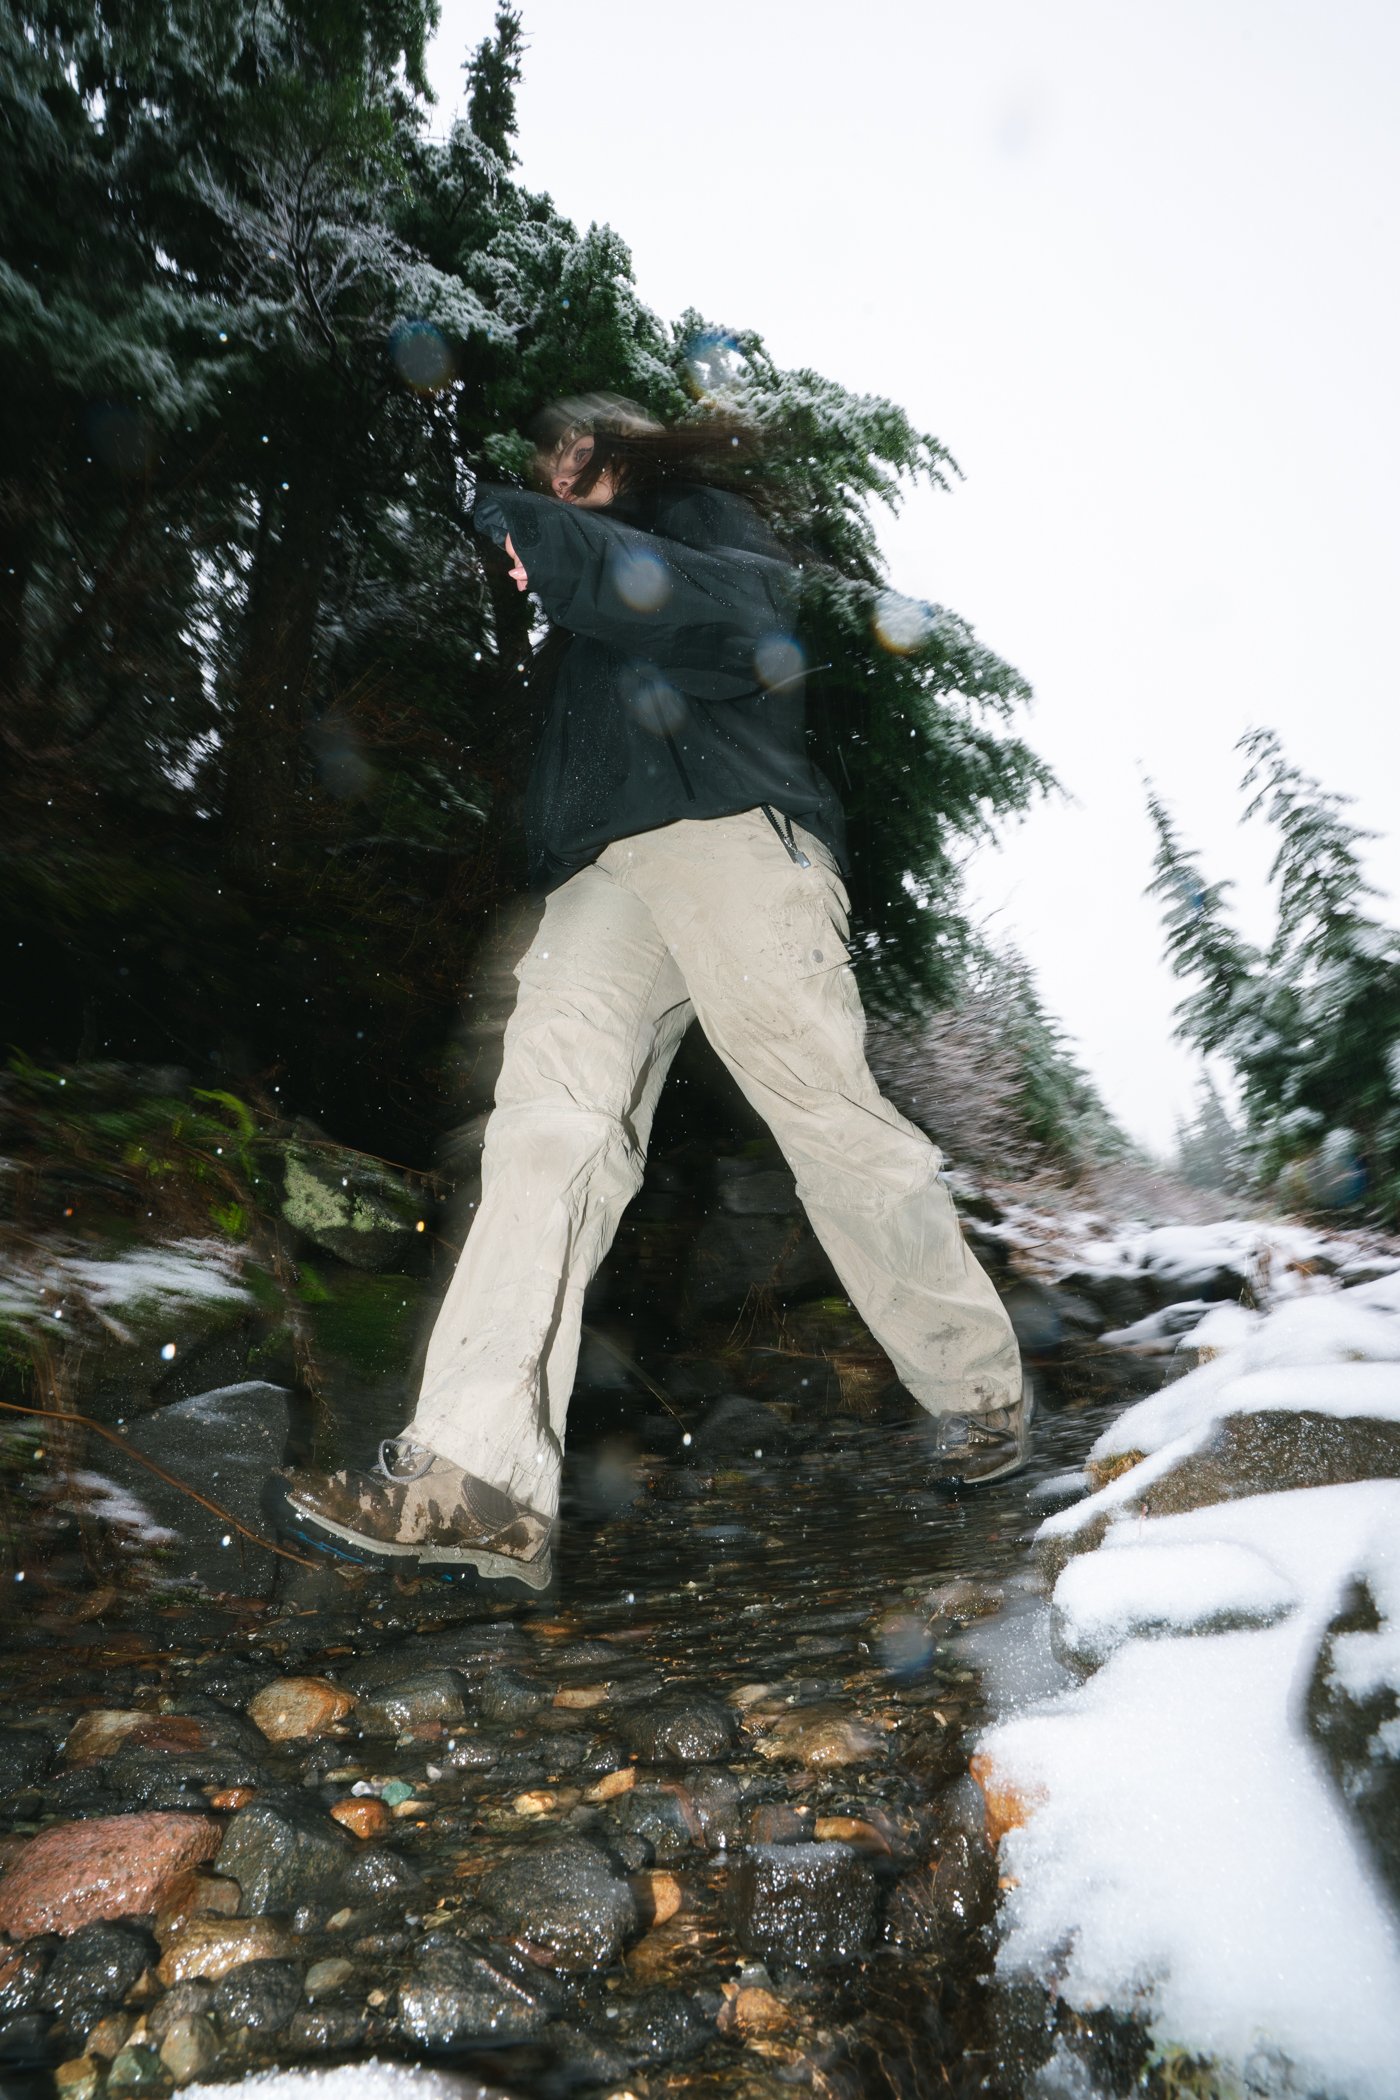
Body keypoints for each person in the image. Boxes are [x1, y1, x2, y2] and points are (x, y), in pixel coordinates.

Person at [277, 397, 1028, 1585]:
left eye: (565, 459)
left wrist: (531, 522)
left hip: (731, 842)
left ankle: (976, 1390)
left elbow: (728, 620)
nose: (549, 478)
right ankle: (473, 1476)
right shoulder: (582, 624)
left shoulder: (703, 526)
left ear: (616, 453)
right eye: (539, 471)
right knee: (542, 1136)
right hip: (602, 882)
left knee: (822, 1118)